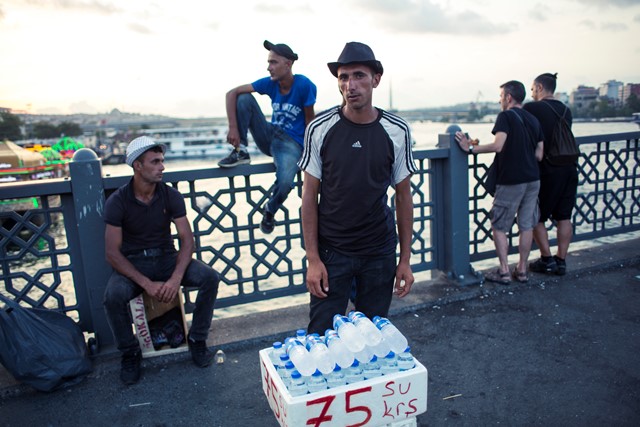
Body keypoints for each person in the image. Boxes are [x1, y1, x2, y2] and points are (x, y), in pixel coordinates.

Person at [298, 42, 417, 335]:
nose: (351, 85)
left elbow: (404, 197)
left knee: (372, 336)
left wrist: (404, 260)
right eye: (344, 77)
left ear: (376, 79)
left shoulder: (397, 130)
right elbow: (309, 197)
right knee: (322, 336)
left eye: (359, 76)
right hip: (332, 251)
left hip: (378, 251)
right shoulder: (320, 128)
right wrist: (313, 259)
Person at [103, 136, 220, 385]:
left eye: (162, 161)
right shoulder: (118, 201)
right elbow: (112, 253)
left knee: (210, 277)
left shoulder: (171, 195)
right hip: (134, 264)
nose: (162, 167)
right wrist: (146, 283)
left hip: (167, 258)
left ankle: (198, 340)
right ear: (137, 165)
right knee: (112, 297)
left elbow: (187, 241)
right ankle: (130, 353)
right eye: (155, 162)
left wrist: (176, 278)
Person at [220, 40, 317, 234]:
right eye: (269, 62)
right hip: (269, 134)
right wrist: (234, 129)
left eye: (273, 62)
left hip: (291, 143)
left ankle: (269, 211)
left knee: (285, 181)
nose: (268, 67)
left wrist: (311, 155)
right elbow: (232, 93)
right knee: (244, 97)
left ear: (288, 64)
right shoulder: (271, 83)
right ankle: (242, 152)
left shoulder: (304, 85)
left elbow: (310, 122)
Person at [455, 81, 544, 284]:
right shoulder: (533, 119)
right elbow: (540, 154)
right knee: (526, 225)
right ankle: (522, 269)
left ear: (509, 97)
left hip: (512, 179)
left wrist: (469, 149)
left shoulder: (505, 116)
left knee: (499, 225)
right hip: (533, 178)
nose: (499, 100)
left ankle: (504, 271)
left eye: (501, 95)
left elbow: (498, 146)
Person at [523, 73, 578, 276]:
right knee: (564, 216)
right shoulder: (566, 109)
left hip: (547, 169)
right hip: (569, 166)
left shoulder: (532, 108)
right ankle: (561, 260)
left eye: (532, 89)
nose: (531, 93)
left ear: (539, 87)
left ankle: (547, 259)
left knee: (537, 216)